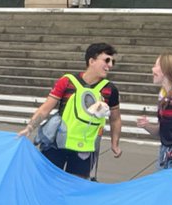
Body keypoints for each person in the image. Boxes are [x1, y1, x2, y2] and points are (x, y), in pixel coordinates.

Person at [19, 43, 123, 179]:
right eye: (106, 60)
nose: (110, 65)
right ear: (91, 61)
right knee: (47, 181)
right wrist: (29, 128)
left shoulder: (110, 90)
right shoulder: (67, 81)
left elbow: (115, 119)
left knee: (76, 187)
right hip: (56, 144)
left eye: (112, 61)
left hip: (85, 149)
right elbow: (45, 108)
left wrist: (114, 144)